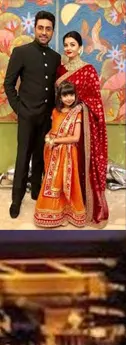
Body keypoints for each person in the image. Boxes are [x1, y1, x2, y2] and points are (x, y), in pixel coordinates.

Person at [3, 11, 61, 218]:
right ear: (34, 29)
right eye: (40, 28)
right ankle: (16, 200)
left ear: (52, 32)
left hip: (46, 117)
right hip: (27, 116)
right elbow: (8, 84)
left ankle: (36, 192)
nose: (44, 32)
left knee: (40, 157)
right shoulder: (21, 52)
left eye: (48, 29)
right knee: (23, 158)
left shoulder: (55, 58)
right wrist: (19, 109)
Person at [55, 30, 109, 227]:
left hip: (84, 127)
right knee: (64, 167)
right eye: (66, 45)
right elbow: (57, 99)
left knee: (81, 165)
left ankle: (85, 208)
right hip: (63, 124)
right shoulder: (60, 70)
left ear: (80, 48)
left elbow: (96, 101)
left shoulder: (89, 70)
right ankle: (66, 210)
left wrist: (79, 107)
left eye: (72, 45)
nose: (68, 48)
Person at [33, 81, 86, 228]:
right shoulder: (55, 112)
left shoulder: (77, 113)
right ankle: (54, 213)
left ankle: (68, 213)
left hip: (68, 153)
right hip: (53, 151)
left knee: (67, 183)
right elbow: (54, 129)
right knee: (53, 183)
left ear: (75, 95)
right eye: (65, 95)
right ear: (60, 97)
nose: (69, 98)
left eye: (71, 94)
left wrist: (55, 140)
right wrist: (48, 136)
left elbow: (76, 138)